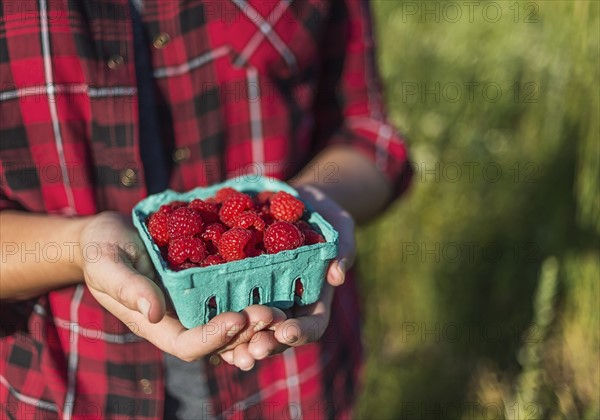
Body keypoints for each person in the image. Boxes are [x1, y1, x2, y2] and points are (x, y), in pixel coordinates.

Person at [0, 0, 412, 418]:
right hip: (65, 387)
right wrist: (77, 245)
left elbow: (366, 135)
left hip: (288, 382)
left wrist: (316, 199)